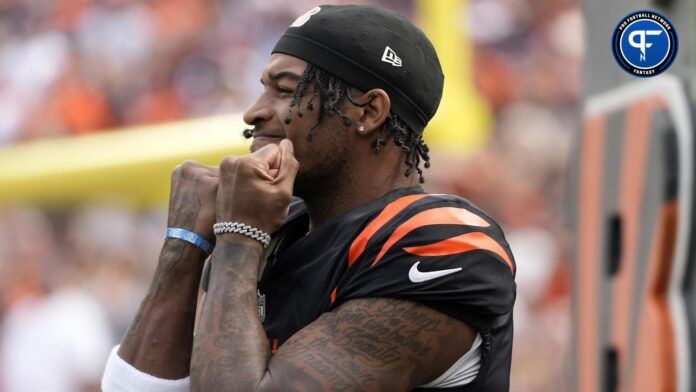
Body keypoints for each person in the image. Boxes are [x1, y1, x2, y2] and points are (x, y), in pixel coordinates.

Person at [101, 4, 516, 391]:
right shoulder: (275, 227)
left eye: (285, 91)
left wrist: (238, 236)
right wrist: (183, 247)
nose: (253, 112)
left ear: (368, 112)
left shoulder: (441, 240)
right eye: (263, 88)